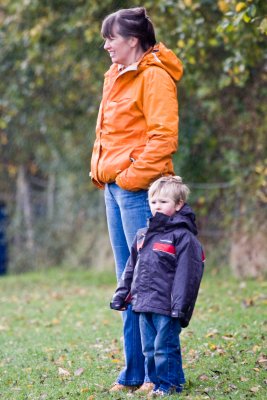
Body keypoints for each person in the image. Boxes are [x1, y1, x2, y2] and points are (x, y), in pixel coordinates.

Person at [90, 6, 183, 393]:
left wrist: (129, 178)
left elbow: (164, 137)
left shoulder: (155, 78)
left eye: (112, 37)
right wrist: (105, 173)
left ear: (133, 40)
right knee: (127, 283)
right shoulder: (116, 74)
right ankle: (133, 374)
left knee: (149, 285)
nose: (106, 44)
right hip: (114, 188)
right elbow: (111, 131)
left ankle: (158, 376)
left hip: (138, 190)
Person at [110, 176, 205, 397]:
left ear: (179, 204)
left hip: (167, 305)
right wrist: (122, 295)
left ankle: (170, 384)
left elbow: (187, 276)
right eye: (153, 202)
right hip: (143, 303)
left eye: (163, 202)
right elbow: (130, 268)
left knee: (165, 347)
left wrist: (180, 307)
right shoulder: (142, 235)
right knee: (149, 349)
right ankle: (155, 382)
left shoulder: (183, 238)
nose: (157, 207)